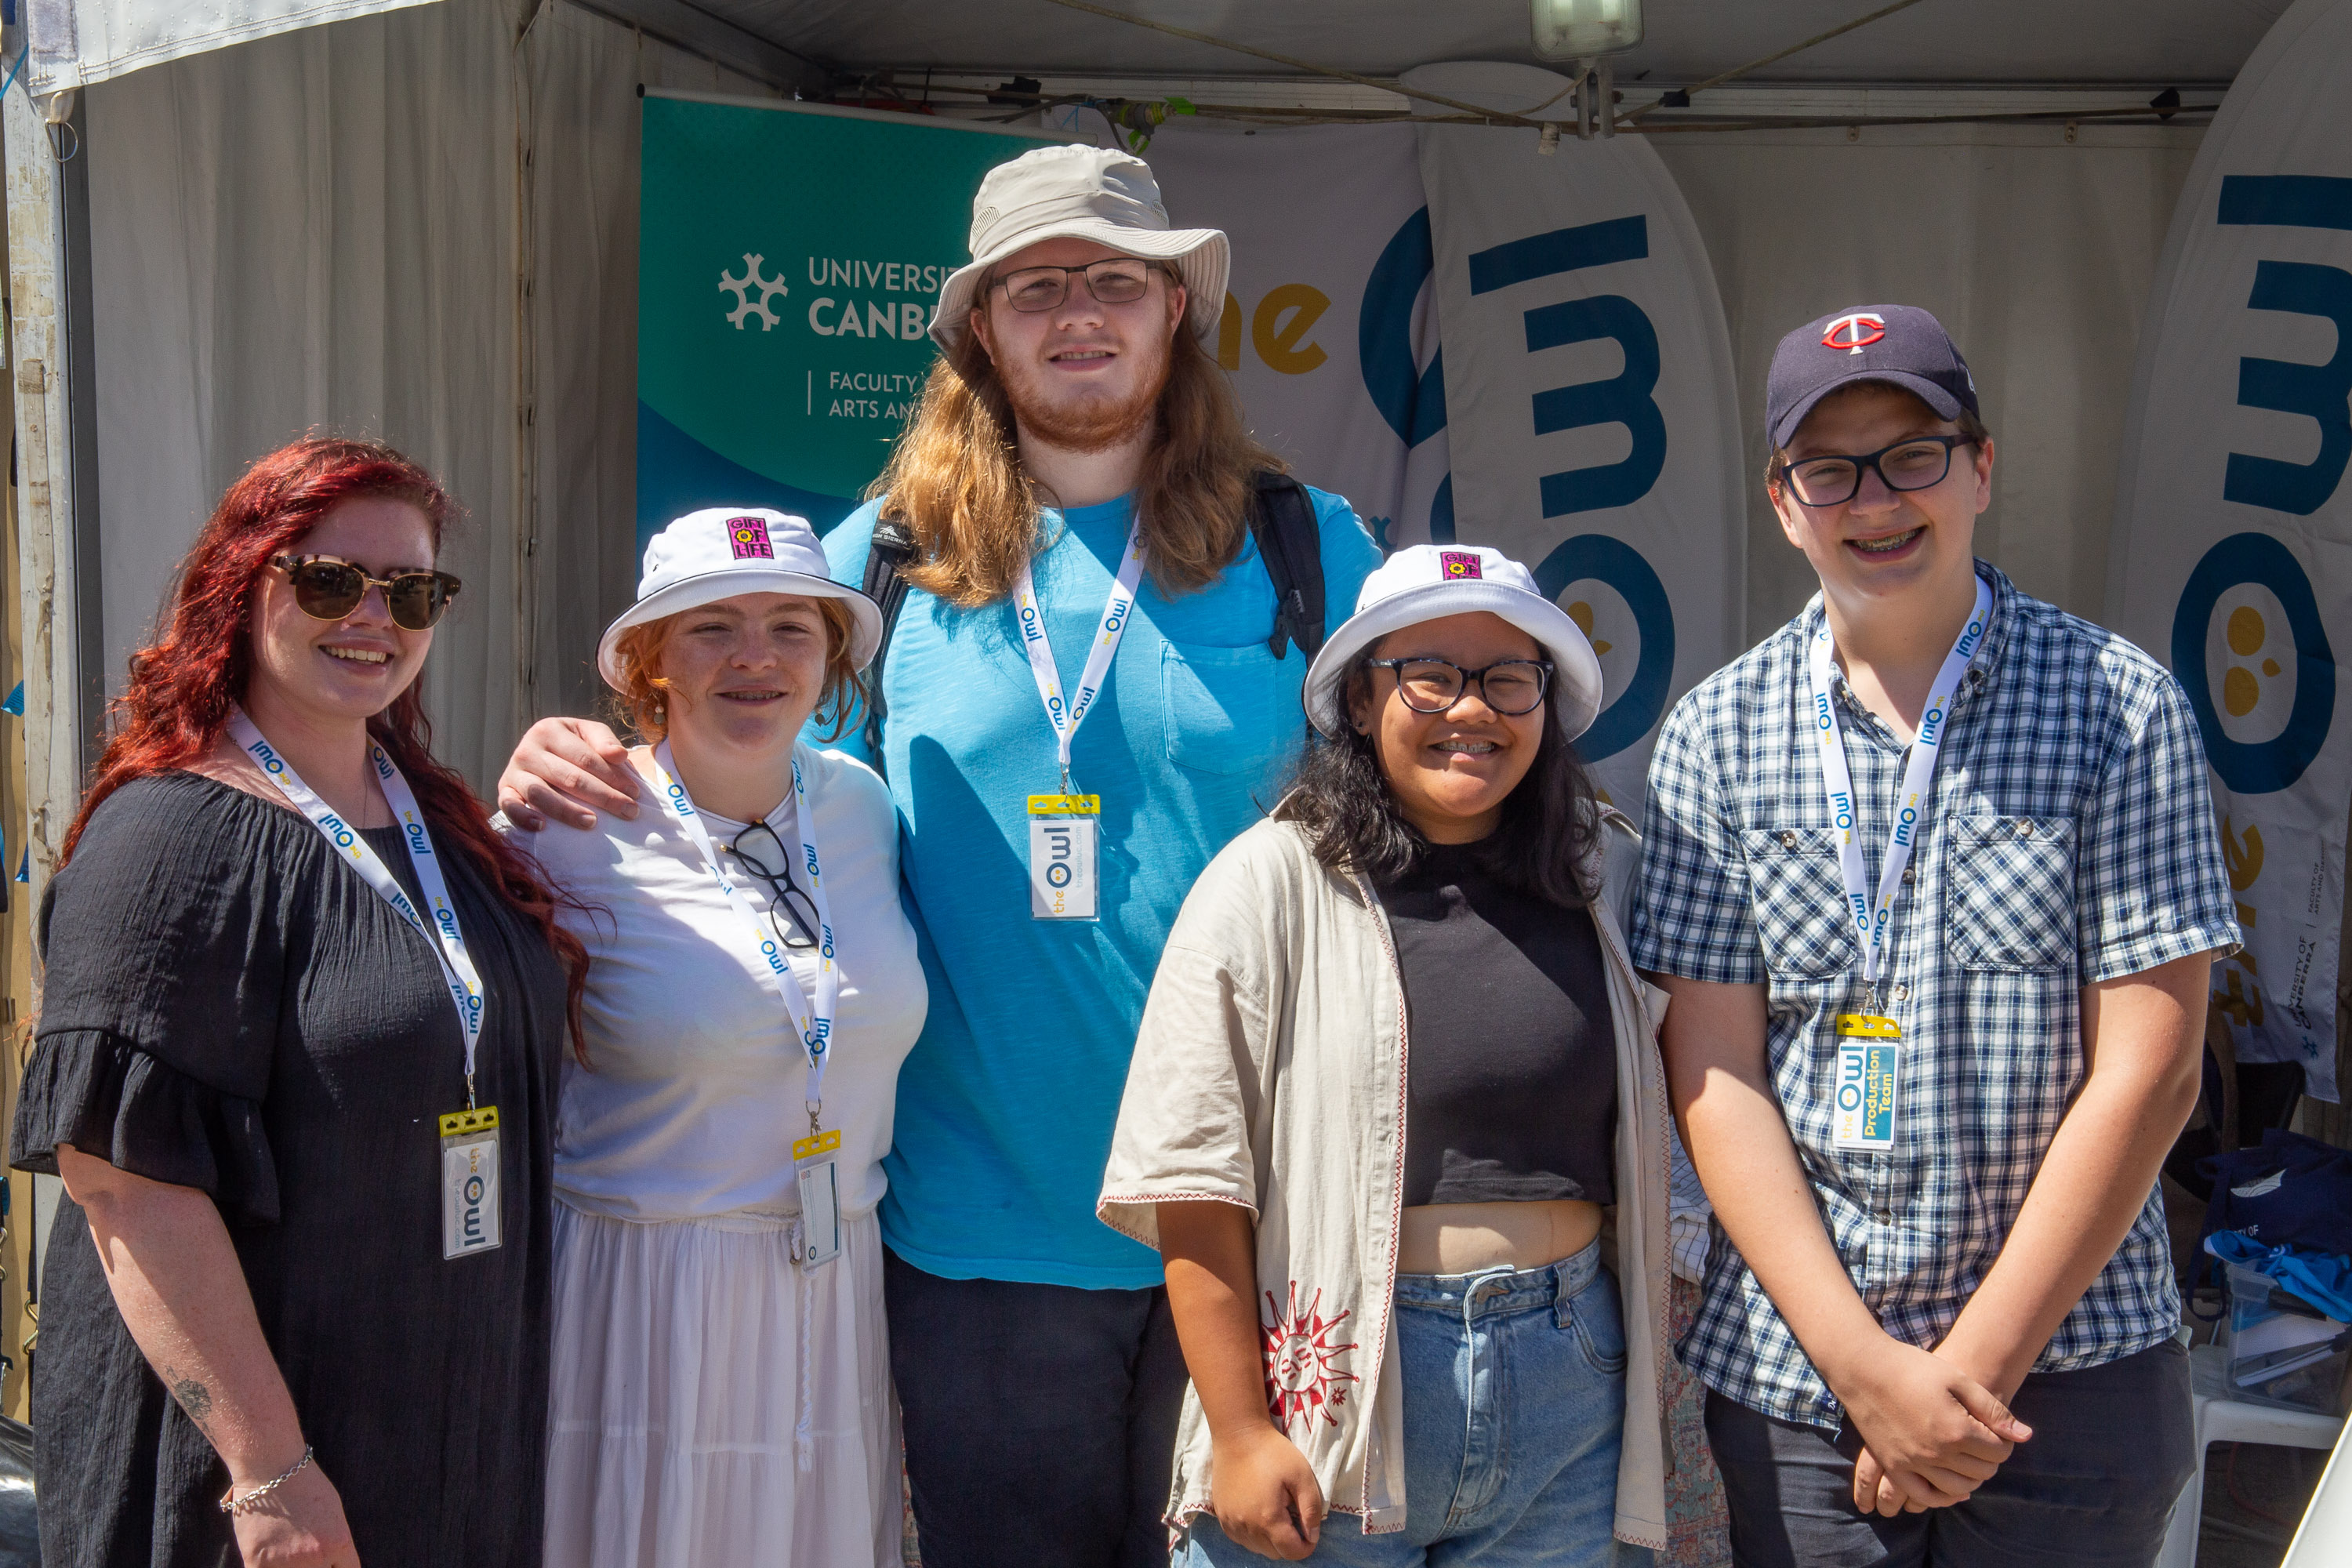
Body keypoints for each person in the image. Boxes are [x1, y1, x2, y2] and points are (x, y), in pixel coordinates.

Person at [497, 143, 1381, 1566]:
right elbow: (731, 725)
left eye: (1116, 281)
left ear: (1176, 314)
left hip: (1259, 1211)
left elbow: (1438, 789)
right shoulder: (887, 563)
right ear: (982, 325)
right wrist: (570, 748)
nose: (1078, 313)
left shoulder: (1306, 546)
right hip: (981, 1231)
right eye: (1038, 287)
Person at [1630, 305, 2239, 1566]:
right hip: (1803, 1395)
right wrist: (1868, 1375)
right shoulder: (1714, 734)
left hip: (2073, 1380)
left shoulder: (2120, 705)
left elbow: (2154, 1067)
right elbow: (1717, 1072)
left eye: (1913, 454)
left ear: (1982, 467)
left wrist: (1967, 1378)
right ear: (1784, 501)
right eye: (1830, 468)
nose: (1876, 499)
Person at [9, 437, 584, 1566]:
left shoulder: (432, 816)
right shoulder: (168, 839)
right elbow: (125, 1191)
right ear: (240, 587)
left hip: (440, 1437)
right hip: (253, 1481)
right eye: (329, 580)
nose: (375, 615)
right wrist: (271, 1473)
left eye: (413, 590)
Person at [1100, 544, 1675, 1566]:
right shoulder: (1267, 884)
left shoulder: (1609, 874)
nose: (1472, 709)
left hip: (1570, 1382)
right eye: (1430, 675)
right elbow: (1191, 1182)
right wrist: (1239, 1434)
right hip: (1330, 1395)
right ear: (1361, 702)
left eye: (1508, 677)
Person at [517, 508, 924, 1566]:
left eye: (791, 626)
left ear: (830, 655)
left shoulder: (863, 810)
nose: (755, 657)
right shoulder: (563, 826)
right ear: (651, 660)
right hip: (648, 1295)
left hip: (832, 1284)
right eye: (711, 628)